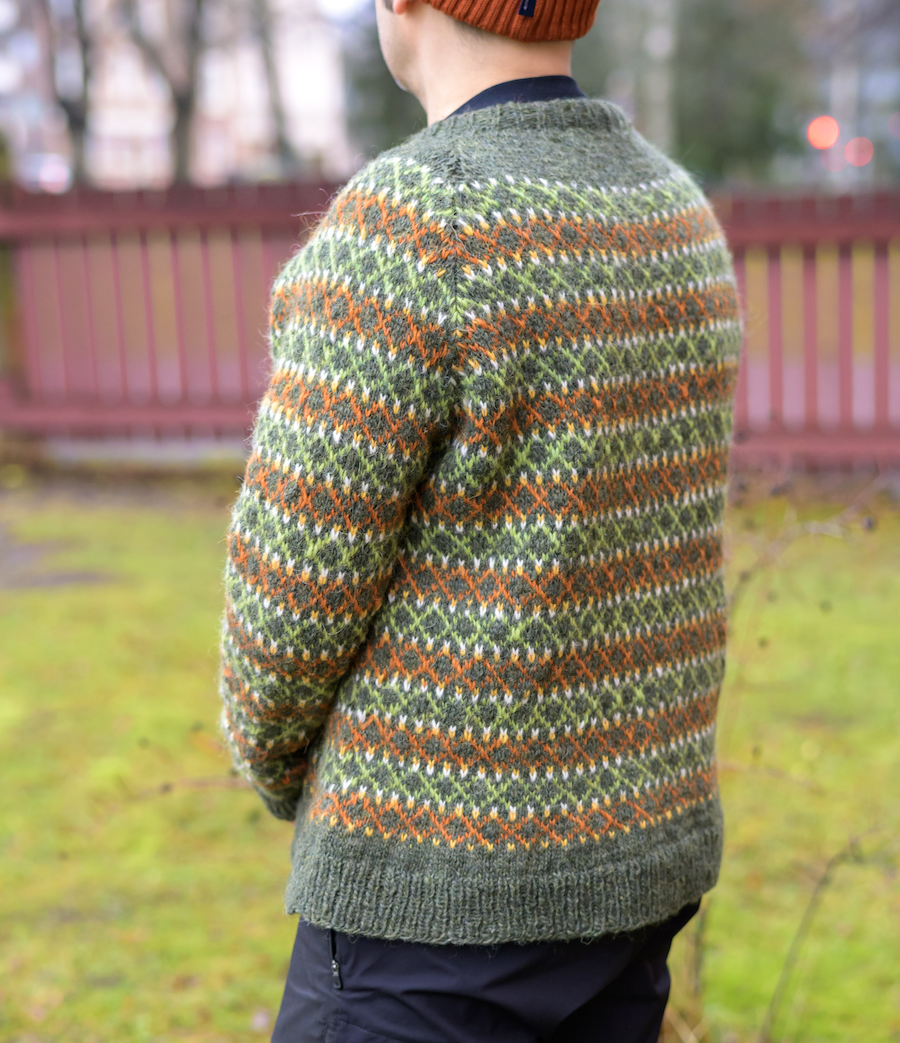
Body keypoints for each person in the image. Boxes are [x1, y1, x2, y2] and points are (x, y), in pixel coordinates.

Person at [218, 0, 740, 1039]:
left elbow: (290, 601)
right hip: (635, 874)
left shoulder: (411, 227)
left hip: (429, 904)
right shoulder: (672, 210)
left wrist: (286, 770)